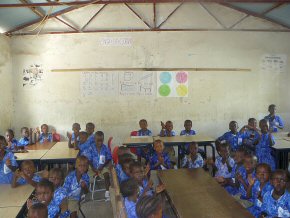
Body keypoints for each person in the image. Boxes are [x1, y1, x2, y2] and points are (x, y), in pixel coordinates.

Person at [82, 131, 112, 200]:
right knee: (85, 177)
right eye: (98, 141)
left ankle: (107, 192)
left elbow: (109, 158)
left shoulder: (105, 148)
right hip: (92, 167)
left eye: (101, 140)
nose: (100, 143)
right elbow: (88, 160)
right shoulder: (90, 148)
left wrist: (103, 166)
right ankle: (84, 192)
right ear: (94, 139)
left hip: (102, 166)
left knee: (106, 175)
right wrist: (93, 168)